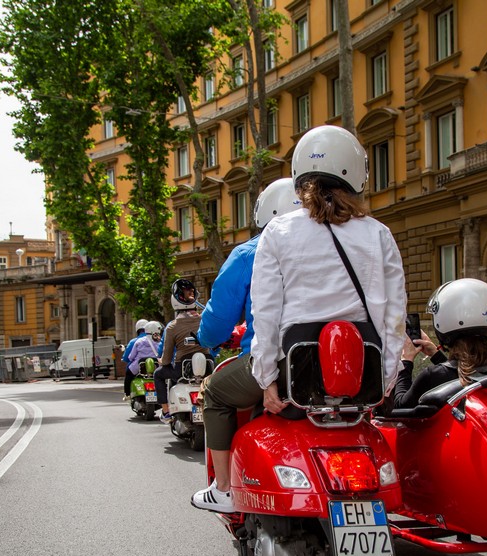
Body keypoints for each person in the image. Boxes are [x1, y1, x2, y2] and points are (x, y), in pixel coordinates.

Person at [192, 124, 407, 513]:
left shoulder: (280, 231)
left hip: (295, 374)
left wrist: (267, 380)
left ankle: (224, 488)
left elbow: (268, 313)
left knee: (217, 392)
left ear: (299, 176)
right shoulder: (379, 235)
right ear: (357, 176)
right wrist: (384, 384)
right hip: (360, 377)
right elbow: (393, 319)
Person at [194, 178, 301, 512]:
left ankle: (224, 487)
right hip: (334, 361)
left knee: (213, 392)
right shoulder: (333, 241)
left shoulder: (251, 252)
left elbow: (217, 320)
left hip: (274, 362)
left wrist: (207, 338)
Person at [391, 279, 487, 410]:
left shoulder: (431, 376)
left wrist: (406, 361)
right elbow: (457, 374)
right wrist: (436, 355)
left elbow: (400, 405)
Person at [155, 279, 211, 424]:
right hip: (208, 368)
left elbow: (166, 360)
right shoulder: (205, 319)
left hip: (182, 371)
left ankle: (166, 412)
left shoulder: (172, 327)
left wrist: (161, 361)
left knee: (158, 374)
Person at [121, 319, 149, 400]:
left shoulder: (134, 342)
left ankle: (127, 394)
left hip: (138, 368)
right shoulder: (156, 340)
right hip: (154, 366)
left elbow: (128, 357)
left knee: (128, 374)